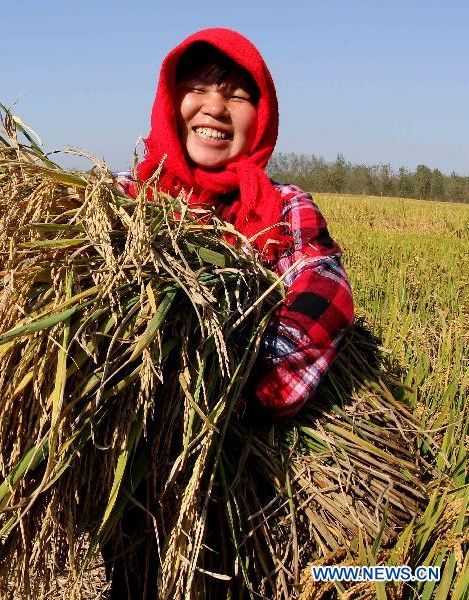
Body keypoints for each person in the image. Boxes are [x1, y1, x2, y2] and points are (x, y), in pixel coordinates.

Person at [105, 28, 355, 598]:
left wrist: (238, 386)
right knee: (136, 575)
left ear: (261, 115)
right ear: (171, 102)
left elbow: (325, 287)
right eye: (196, 88)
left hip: (243, 473)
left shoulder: (283, 205)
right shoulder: (124, 199)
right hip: (137, 474)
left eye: (238, 94)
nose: (214, 106)